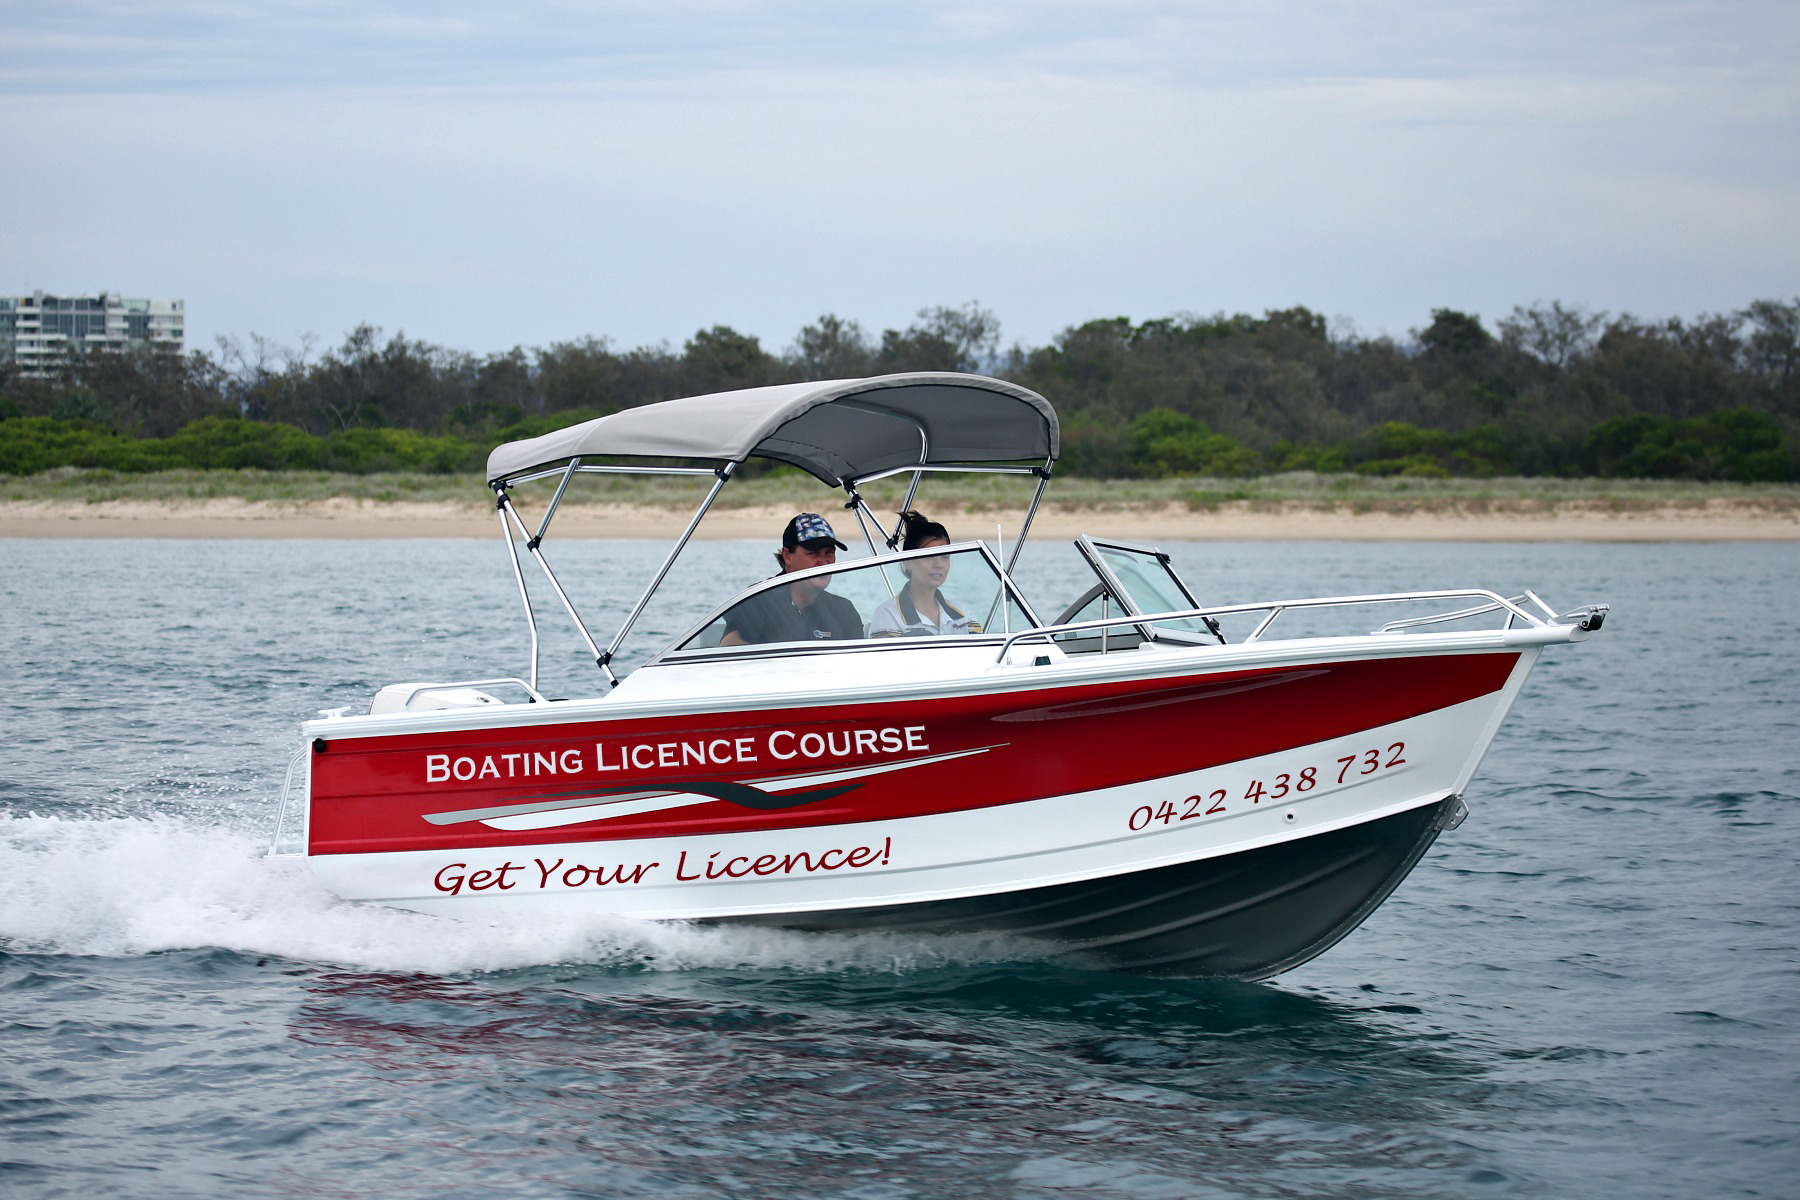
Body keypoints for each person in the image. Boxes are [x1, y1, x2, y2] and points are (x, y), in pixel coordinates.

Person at [719, 513, 865, 645]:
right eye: (813, 553)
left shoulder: (844, 610)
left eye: (829, 553)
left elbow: (857, 663)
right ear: (788, 556)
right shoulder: (758, 599)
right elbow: (728, 646)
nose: (823, 562)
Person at [866, 511, 983, 637]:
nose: (938, 564)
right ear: (908, 562)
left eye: (945, 556)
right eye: (929, 556)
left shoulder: (964, 616)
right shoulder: (887, 614)